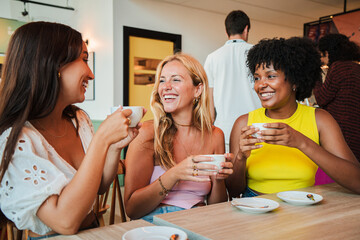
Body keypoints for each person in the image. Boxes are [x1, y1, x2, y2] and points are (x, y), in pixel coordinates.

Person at [0, 22, 142, 238]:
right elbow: (64, 223)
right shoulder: (16, 141)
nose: (91, 74)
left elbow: (99, 187)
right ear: (54, 64)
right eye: (84, 59)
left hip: (94, 231)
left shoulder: (79, 119)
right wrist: (102, 138)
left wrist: (113, 148)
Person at [226, 37, 360, 198]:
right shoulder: (243, 123)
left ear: (294, 80)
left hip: (304, 206)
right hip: (255, 206)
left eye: (270, 76)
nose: (260, 85)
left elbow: (357, 182)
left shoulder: (320, 120)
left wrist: (301, 142)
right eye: (257, 78)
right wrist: (240, 157)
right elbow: (234, 191)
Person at [124, 53, 233, 223]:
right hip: (154, 222)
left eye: (175, 80)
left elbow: (216, 207)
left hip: (198, 220)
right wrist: (174, 174)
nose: (165, 87)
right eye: (162, 80)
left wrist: (219, 181)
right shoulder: (148, 133)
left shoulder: (215, 135)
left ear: (198, 89)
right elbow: (132, 209)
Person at [204, 10, 261, 152]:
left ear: (226, 31)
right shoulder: (258, 53)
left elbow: (209, 104)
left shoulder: (212, 58)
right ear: (246, 29)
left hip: (224, 131)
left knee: (229, 172)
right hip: (254, 128)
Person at [313, 33, 360, 162]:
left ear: (328, 52)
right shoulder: (357, 68)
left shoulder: (338, 67)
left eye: (323, 54)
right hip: (356, 132)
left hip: (341, 131)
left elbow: (321, 98)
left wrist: (316, 77)